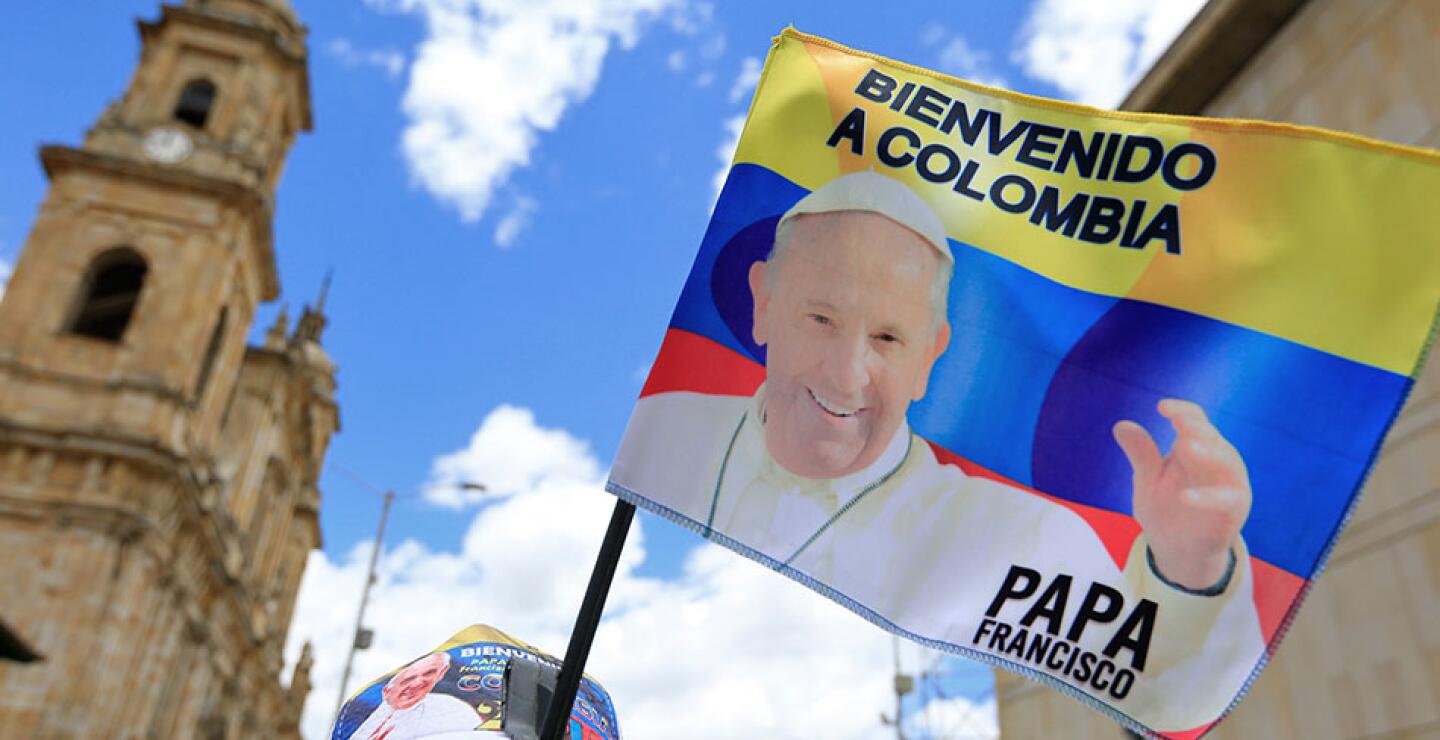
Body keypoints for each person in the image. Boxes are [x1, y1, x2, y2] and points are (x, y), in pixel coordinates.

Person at [609, 172, 1264, 731]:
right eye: (821, 319)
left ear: (931, 358)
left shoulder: (1026, 534)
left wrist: (1187, 570)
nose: (846, 374)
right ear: (763, 302)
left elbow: (1154, 685)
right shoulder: (669, 431)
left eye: (889, 338)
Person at [349, 652, 479, 739]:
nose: (417, 683)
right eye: (407, 680)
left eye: (429, 673)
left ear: (441, 673)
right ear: (386, 691)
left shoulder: (454, 710)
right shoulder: (367, 724)